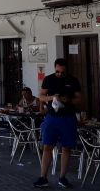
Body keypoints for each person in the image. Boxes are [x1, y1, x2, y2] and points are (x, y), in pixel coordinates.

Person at [33, 58, 81, 189]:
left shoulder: (73, 80)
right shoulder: (48, 79)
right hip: (51, 118)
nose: (60, 74)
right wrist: (52, 97)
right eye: (57, 71)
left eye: (62, 72)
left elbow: (79, 99)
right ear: (55, 69)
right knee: (47, 146)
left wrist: (69, 100)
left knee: (67, 148)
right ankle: (43, 177)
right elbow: (41, 96)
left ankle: (62, 177)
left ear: (66, 70)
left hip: (68, 118)